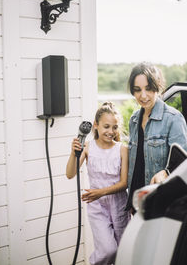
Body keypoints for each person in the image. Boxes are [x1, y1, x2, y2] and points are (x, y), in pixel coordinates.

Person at [66, 102, 130, 265]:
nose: (111, 131)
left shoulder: (122, 149)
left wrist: (100, 192)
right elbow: (70, 174)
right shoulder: (88, 147)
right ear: (96, 125)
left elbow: (123, 183)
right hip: (97, 207)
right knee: (108, 250)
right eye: (106, 126)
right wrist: (74, 154)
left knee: (122, 251)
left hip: (119, 205)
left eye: (114, 127)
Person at [125, 63, 187, 213]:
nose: (143, 95)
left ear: (158, 87)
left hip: (160, 202)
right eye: (137, 90)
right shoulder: (134, 120)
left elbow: (183, 163)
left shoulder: (173, 118)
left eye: (148, 88)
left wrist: (166, 172)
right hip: (137, 201)